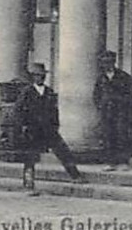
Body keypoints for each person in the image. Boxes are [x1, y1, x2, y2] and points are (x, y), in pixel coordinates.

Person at [16, 62, 87, 194]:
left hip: (49, 129)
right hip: (33, 129)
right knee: (30, 158)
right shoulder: (26, 92)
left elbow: (54, 111)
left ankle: (75, 176)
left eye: (42, 76)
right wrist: (24, 126)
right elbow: (19, 111)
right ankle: (28, 185)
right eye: (37, 75)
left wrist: (55, 125)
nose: (40, 78)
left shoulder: (49, 92)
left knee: (63, 151)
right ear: (33, 77)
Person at [93, 51, 132, 169]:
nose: (106, 65)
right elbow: (96, 95)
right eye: (104, 62)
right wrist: (100, 105)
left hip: (121, 112)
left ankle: (123, 162)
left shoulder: (124, 77)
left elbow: (131, 94)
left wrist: (124, 106)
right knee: (108, 136)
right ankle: (110, 162)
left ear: (114, 62)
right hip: (107, 113)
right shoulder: (101, 79)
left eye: (109, 62)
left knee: (122, 136)